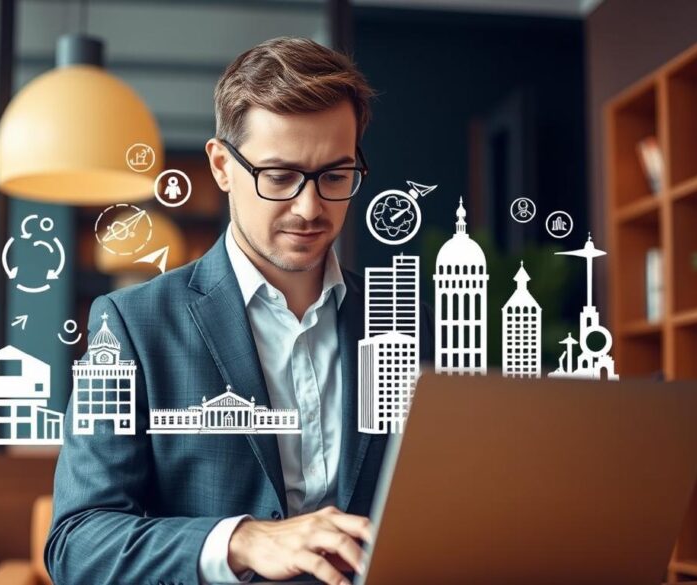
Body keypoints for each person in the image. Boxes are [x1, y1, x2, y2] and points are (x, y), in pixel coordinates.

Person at [46, 36, 434, 585]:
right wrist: (241, 540)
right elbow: (77, 544)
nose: (309, 207)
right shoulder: (132, 325)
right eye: (279, 177)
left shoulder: (406, 321)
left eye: (335, 176)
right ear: (222, 166)